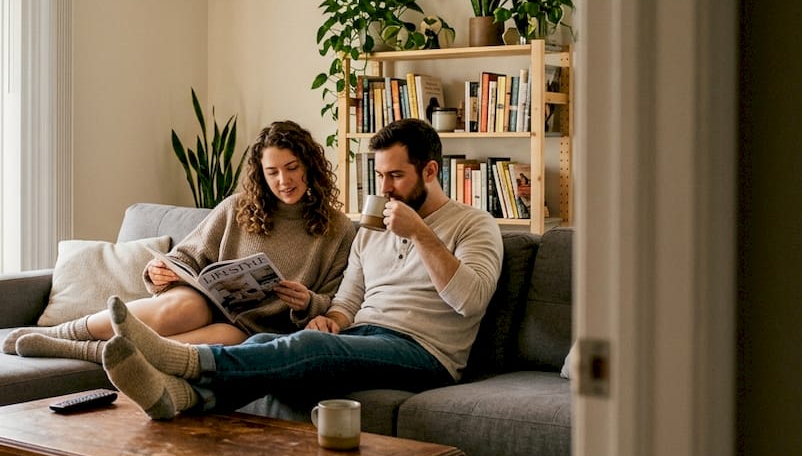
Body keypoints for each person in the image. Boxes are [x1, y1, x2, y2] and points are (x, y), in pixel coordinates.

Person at [100, 118, 505, 419]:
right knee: (259, 344)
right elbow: (350, 298)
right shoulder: (373, 229)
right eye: (380, 175)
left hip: (425, 353)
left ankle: (186, 360)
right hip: (366, 334)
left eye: (396, 176)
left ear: (431, 171)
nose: (384, 189)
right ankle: (184, 398)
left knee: (309, 348)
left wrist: (420, 234)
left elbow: (469, 301)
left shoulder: (474, 224)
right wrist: (331, 318)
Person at [3, 120, 357, 364]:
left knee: (222, 342)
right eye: (272, 172)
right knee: (184, 309)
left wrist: (308, 301)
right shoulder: (237, 207)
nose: (284, 180)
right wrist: (162, 270)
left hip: (251, 327)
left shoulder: (337, 229)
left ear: (309, 166)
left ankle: (87, 353)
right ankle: (60, 334)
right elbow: (185, 256)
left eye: (292, 167)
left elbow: (335, 299)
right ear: (261, 176)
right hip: (204, 300)